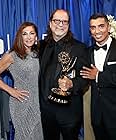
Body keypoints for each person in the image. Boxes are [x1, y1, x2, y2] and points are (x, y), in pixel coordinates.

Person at [0, 22, 43, 140]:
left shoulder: (38, 53)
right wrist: (11, 91)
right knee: (24, 136)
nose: (28, 37)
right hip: (21, 103)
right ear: (20, 36)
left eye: (32, 33)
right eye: (25, 34)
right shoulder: (12, 55)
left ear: (36, 36)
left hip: (39, 103)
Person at [39, 9, 88, 140]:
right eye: (57, 21)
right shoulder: (41, 46)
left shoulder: (80, 48)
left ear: (68, 25)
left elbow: (85, 78)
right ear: (50, 23)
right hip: (46, 112)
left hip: (69, 112)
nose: (60, 24)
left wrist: (72, 83)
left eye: (64, 21)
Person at [80, 13, 116, 140]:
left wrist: (98, 76)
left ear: (108, 27)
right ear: (90, 30)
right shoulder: (87, 51)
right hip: (96, 115)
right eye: (93, 27)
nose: (97, 31)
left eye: (101, 26)